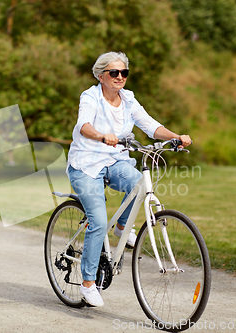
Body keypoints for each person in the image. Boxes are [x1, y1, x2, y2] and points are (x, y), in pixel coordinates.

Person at [67, 51, 192, 307]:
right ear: (101, 75)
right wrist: (103, 136)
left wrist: (175, 136)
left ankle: (123, 227)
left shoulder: (128, 99)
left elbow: (149, 125)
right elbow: (83, 125)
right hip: (86, 165)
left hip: (115, 161)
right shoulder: (90, 97)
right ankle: (88, 284)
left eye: (124, 72)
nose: (120, 77)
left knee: (139, 184)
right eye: (114, 72)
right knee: (98, 222)